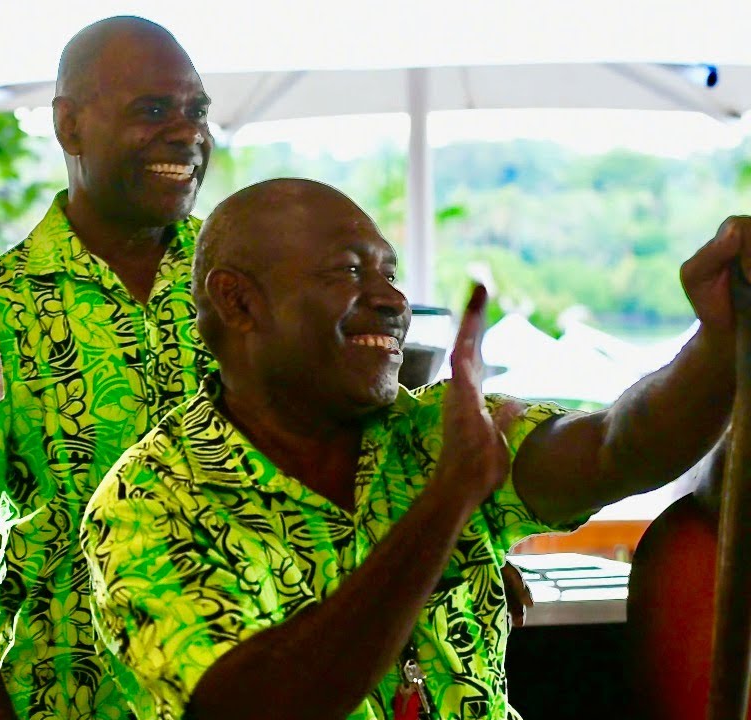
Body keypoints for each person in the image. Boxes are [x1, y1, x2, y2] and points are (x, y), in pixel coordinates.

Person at [82, 178, 745, 719]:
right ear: (239, 301)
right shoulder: (148, 501)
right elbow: (260, 706)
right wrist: (446, 503)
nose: (392, 300)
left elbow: (616, 448)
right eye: (348, 271)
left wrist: (719, 340)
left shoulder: (432, 431)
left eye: (390, 272)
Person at [0, 15, 214, 720]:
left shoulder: (238, 281)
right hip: (69, 697)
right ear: (69, 127)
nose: (187, 133)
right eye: (153, 110)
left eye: (196, 110)